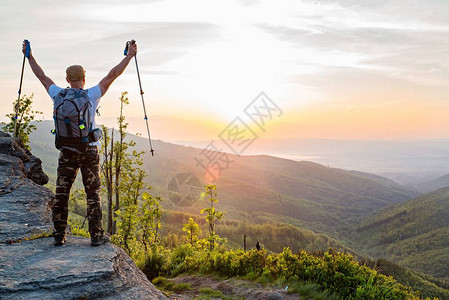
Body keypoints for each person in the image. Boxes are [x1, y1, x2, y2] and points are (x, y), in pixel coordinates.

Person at [22, 40, 138, 246]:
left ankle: (59, 235)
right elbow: (113, 75)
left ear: (67, 79)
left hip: (67, 151)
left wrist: (29, 56)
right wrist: (129, 56)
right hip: (89, 151)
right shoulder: (92, 95)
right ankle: (96, 236)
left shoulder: (58, 93)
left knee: (62, 193)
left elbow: (41, 76)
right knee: (92, 193)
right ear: (84, 79)